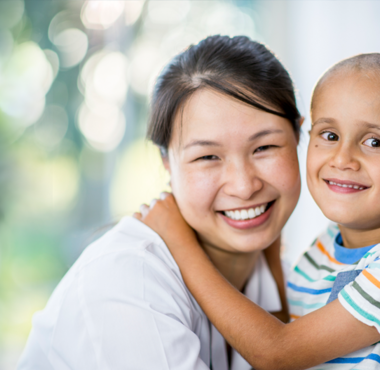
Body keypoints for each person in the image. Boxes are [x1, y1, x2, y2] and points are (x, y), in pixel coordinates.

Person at [16, 35, 302, 370]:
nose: (243, 185)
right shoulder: (128, 281)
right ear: (167, 164)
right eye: (208, 156)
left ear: (299, 136)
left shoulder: (279, 273)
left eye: (264, 148)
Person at [135, 53, 380, 369]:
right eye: (330, 136)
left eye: (374, 142)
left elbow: (277, 352)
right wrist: (271, 253)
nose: (343, 159)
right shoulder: (324, 248)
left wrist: (179, 243)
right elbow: (290, 330)